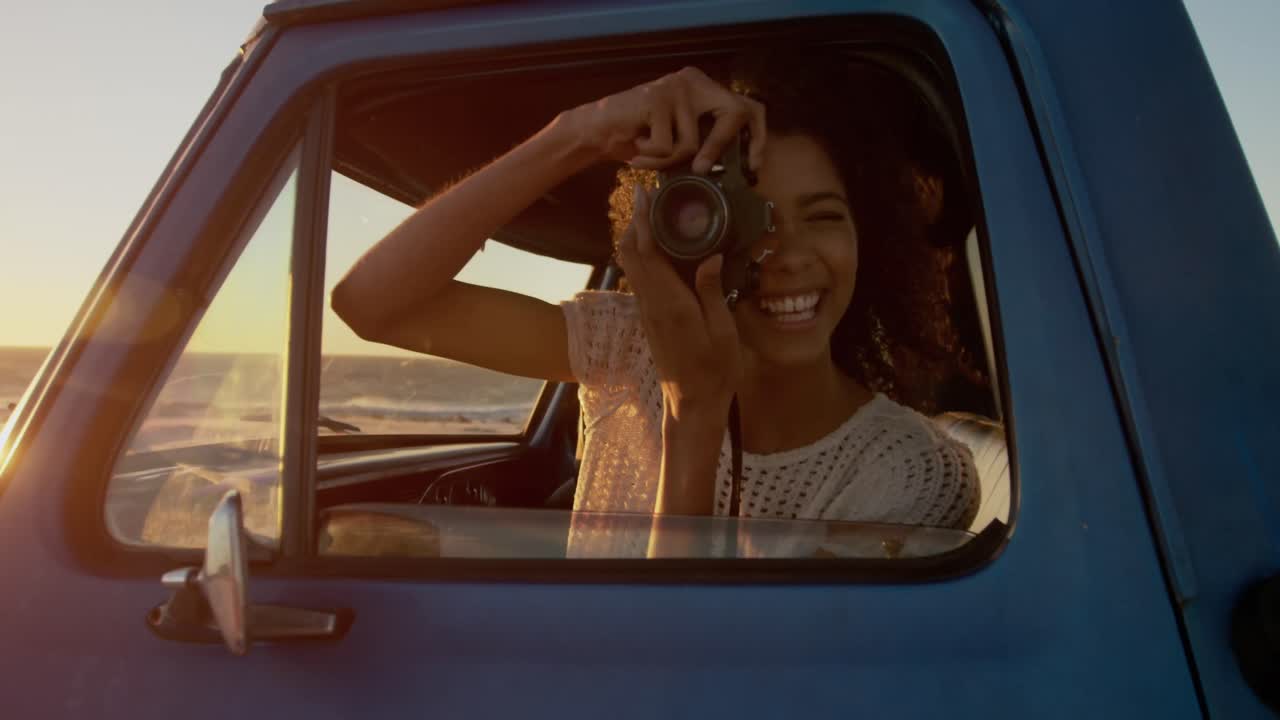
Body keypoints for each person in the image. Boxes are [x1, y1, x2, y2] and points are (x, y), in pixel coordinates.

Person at [331, 51, 981, 554]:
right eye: (748, 220)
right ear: (685, 236)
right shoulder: (630, 346)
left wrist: (693, 417)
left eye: (824, 216)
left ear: (868, 239)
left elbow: (702, 672)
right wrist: (576, 133)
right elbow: (373, 304)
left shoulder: (912, 475)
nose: (788, 254)